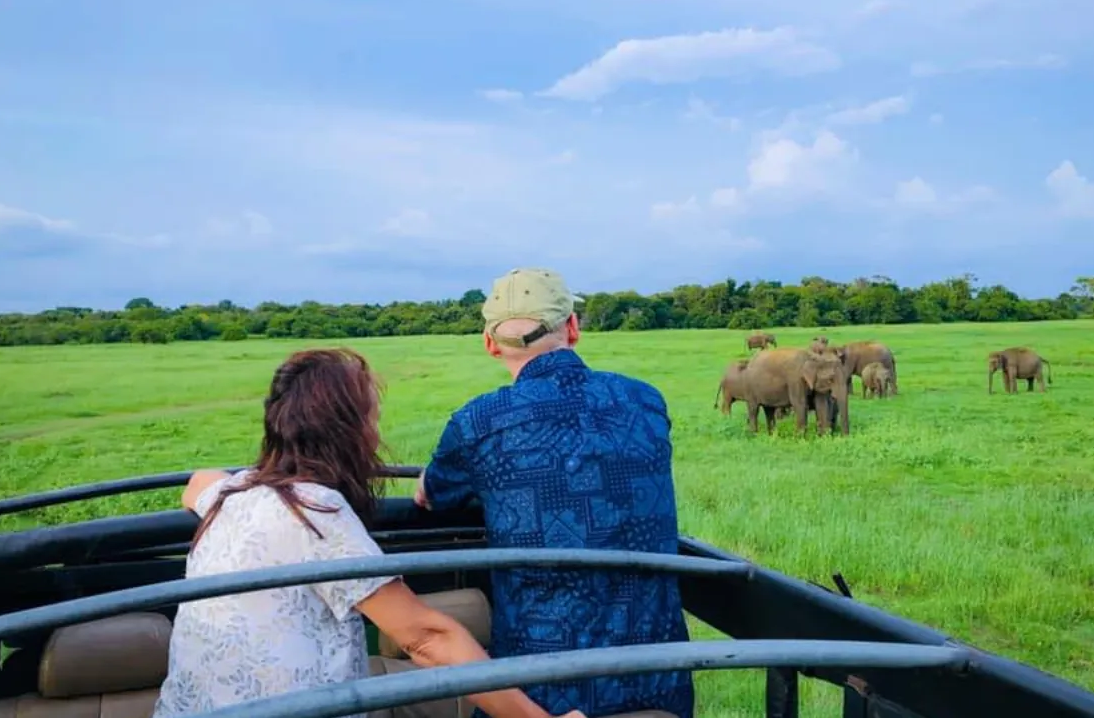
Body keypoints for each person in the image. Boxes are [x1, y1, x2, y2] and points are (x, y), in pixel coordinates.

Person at [152, 348, 583, 718]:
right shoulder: (316, 513)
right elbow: (426, 638)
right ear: (348, 433)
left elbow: (197, 483)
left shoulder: (234, 493)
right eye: (371, 420)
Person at [415, 268, 695, 718]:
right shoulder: (645, 400)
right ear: (572, 327)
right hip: (658, 683)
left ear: (490, 343)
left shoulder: (478, 422)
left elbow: (434, 494)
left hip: (537, 694)